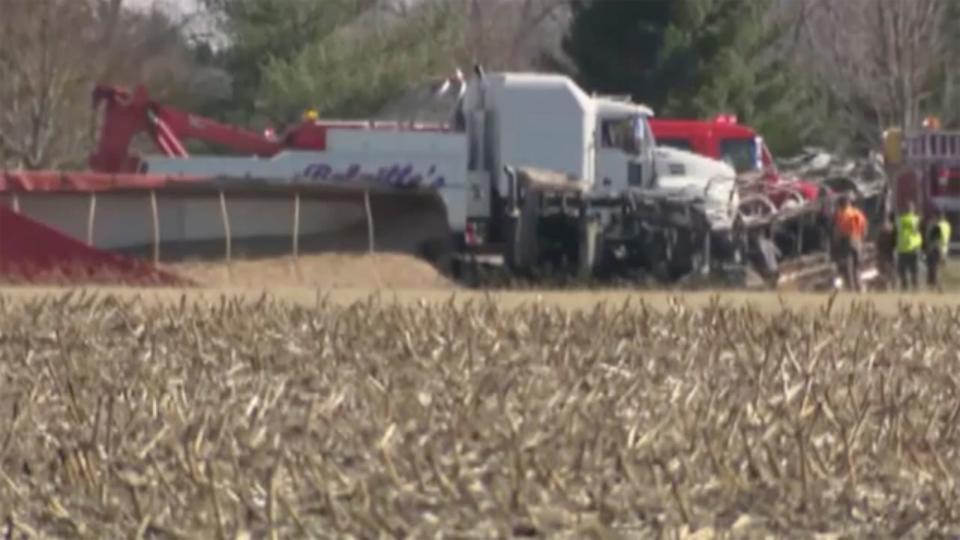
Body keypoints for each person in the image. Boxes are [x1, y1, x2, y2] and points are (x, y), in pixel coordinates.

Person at [833, 195, 868, 291]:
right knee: (857, 266)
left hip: (846, 240)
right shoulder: (857, 212)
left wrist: (836, 243)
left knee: (848, 267)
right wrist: (861, 239)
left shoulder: (841, 214)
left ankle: (851, 288)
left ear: (841, 205)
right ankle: (860, 287)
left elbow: (838, 231)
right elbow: (864, 227)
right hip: (858, 239)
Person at [897, 202, 923, 290]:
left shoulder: (900, 220)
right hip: (914, 248)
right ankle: (915, 287)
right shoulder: (916, 219)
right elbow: (919, 230)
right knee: (914, 271)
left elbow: (897, 230)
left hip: (903, 249)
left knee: (902, 271)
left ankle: (905, 287)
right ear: (913, 209)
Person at [925, 210, 952, 290]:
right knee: (939, 268)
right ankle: (936, 285)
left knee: (934, 268)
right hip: (944, 248)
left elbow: (935, 240)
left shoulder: (936, 226)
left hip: (936, 249)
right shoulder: (947, 225)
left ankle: (937, 286)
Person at [875, 213, 897, 290]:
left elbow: (878, 243)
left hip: (884, 253)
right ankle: (890, 286)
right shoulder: (892, 228)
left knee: (884, 271)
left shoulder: (883, 229)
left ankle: (885, 286)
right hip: (889, 252)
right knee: (889, 271)